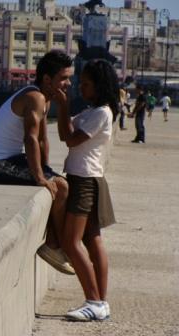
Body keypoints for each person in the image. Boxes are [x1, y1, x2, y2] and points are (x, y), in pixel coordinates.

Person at [0, 50, 74, 275]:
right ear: (47, 79)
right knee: (61, 187)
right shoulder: (35, 97)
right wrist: (41, 177)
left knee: (61, 182)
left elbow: (42, 140)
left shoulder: (45, 99)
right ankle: (55, 247)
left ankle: (55, 245)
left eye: (69, 78)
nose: (68, 83)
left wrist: (47, 169)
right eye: (64, 78)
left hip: (11, 160)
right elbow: (30, 138)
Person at [54, 59, 118, 321]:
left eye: (86, 84)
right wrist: (62, 110)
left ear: (99, 86)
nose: (81, 87)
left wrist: (64, 105)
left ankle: (94, 300)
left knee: (71, 241)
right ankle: (100, 303)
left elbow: (71, 139)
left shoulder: (101, 113)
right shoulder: (93, 111)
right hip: (87, 178)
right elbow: (63, 133)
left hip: (85, 181)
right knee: (92, 241)